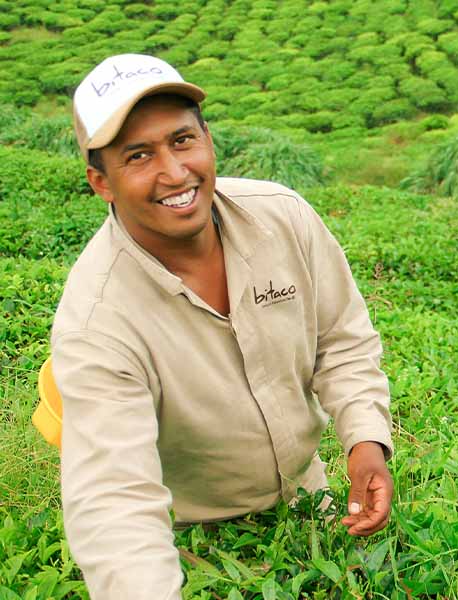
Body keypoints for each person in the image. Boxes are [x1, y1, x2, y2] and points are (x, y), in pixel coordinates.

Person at [52, 54, 394, 599]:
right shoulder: (97, 321)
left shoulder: (284, 218)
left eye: (182, 140)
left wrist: (365, 439)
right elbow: (113, 499)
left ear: (208, 140)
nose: (173, 172)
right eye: (138, 155)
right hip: (199, 543)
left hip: (313, 502)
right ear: (102, 182)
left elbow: (342, 340)